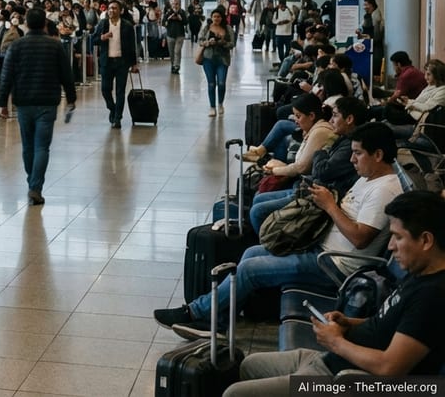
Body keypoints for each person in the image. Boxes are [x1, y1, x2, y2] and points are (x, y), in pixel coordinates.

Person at [154, 122, 406, 339]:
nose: (352, 160)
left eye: (358, 153)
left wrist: (329, 205)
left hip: (335, 266)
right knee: (251, 253)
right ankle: (217, 322)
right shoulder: (369, 178)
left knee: (250, 270)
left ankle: (195, 312)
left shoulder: (384, 190)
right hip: (321, 249)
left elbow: (360, 238)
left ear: (378, 154)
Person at [222, 190, 445, 397]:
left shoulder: (432, 296)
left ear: (426, 240)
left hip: (340, 378)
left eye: (398, 237)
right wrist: (349, 323)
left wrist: (336, 341)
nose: (390, 246)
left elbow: (390, 368)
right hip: (331, 359)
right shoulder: (419, 272)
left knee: (234, 394)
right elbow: (389, 324)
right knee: (249, 365)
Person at [249, 96, 365, 233]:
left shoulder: (340, 142)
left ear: (349, 119)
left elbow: (319, 171)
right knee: (258, 198)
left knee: (257, 211)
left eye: (335, 115)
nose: (331, 120)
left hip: (315, 195)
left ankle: (269, 240)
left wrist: (320, 151)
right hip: (313, 189)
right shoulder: (343, 139)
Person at [0, 8, 77, 206]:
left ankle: (31, 181)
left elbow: (6, 75)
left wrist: (2, 103)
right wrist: (71, 98)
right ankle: (35, 186)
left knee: (28, 145)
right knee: (42, 146)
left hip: (24, 102)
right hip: (47, 102)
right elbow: (66, 74)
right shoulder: (55, 45)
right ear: (45, 24)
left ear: (26, 24)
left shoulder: (16, 46)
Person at [93, 1, 138, 129]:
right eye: (109, 8)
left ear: (120, 10)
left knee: (120, 91)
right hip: (107, 62)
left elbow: (132, 46)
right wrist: (102, 37)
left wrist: (134, 64)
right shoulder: (103, 24)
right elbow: (94, 39)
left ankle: (117, 118)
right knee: (105, 89)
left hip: (122, 63)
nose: (111, 10)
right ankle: (112, 108)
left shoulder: (127, 26)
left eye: (114, 8)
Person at [197, 7, 236, 118]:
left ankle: (220, 103)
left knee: (221, 83)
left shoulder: (228, 28)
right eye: (214, 16)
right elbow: (200, 40)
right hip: (208, 58)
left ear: (222, 18)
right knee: (211, 83)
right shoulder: (207, 28)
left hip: (222, 59)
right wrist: (207, 42)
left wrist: (223, 43)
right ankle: (212, 107)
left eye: (218, 16)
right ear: (211, 17)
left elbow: (232, 43)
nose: (216, 19)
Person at [163, 0, 187, 74]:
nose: (175, 5)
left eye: (177, 4)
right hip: (170, 35)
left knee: (177, 51)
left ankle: (177, 66)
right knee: (171, 52)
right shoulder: (168, 12)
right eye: (173, 4)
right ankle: (173, 65)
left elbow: (186, 22)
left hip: (180, 35)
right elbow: (163, 22)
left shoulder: (182, 12)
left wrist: (180, 19)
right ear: (171, 4)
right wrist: (169, 18)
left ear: (180, 4)